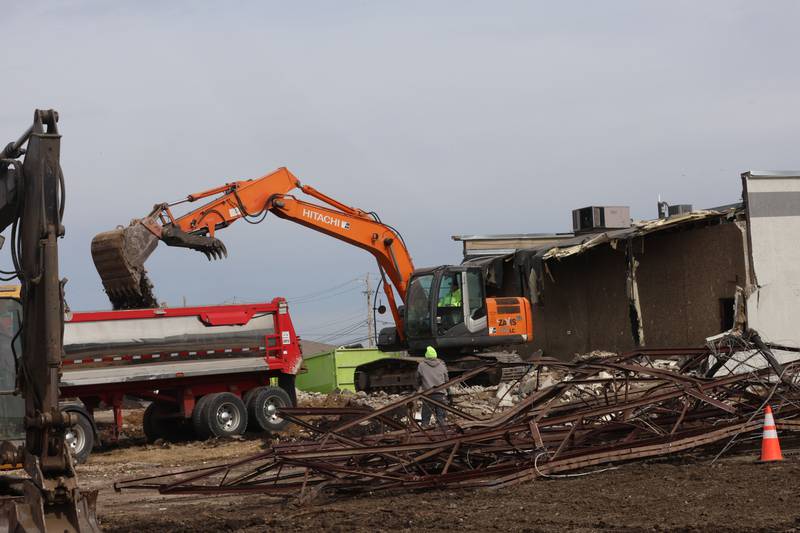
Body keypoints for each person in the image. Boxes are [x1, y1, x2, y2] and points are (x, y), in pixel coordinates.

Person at [416, 345, 449, 431]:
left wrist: (419, 387)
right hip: (440, 394)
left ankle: (424, 432)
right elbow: (446, 380)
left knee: (426, 417)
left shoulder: (421, 365)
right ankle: (443, 434)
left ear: (426, 355)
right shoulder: (442, 364)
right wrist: (448, 392)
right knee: (441, 417)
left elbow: (418, 379)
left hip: (428, 394)